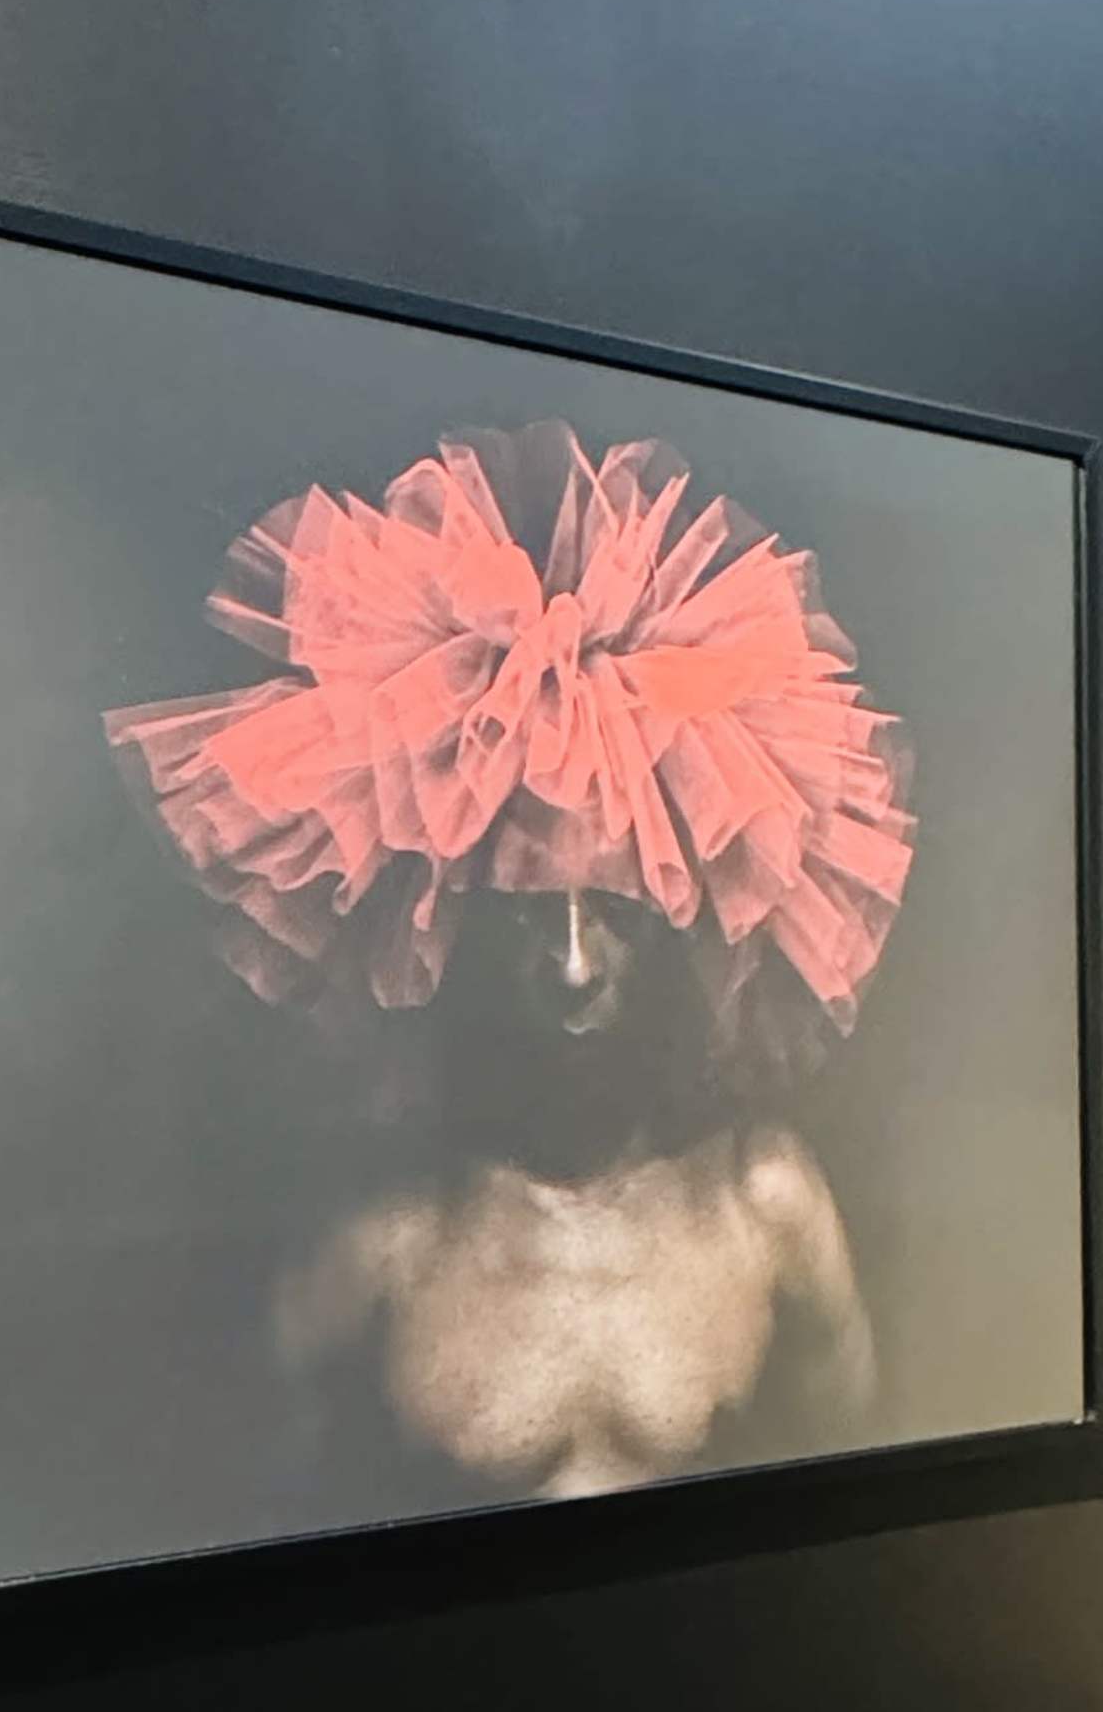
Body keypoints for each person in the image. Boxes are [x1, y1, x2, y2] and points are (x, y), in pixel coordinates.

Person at [109, 418, 911, 1513]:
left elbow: (866, 1513)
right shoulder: (383, 1245)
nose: (574, 970)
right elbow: (244, 1534)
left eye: (617, 911)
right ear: (450, 928)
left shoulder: (763, 1204)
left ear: (684, 921)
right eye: (527, 917)